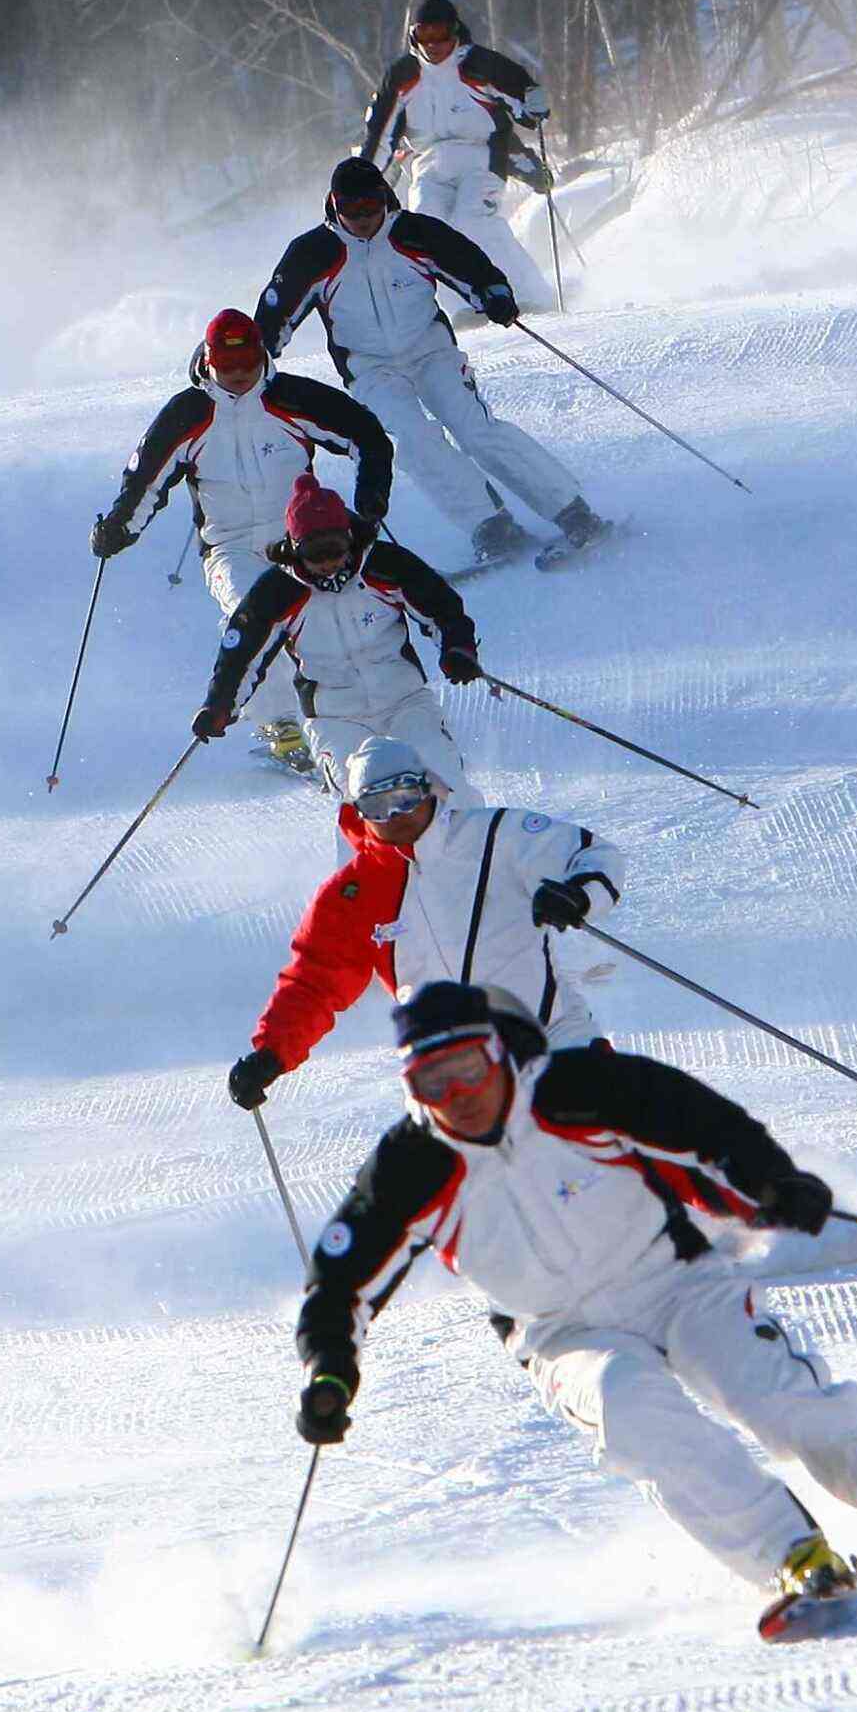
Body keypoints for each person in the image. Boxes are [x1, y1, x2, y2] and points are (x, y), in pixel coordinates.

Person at [289, 980, 857, 1641]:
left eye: (469, 1068)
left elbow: (700, 1124)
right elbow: (338, 1284)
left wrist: (770, 1184)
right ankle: (790, 1554)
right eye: (432, 1081)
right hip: (562, 1332)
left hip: (675, 1280)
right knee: (630, 1411)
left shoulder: (574, 1092)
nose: (460, 1096)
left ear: (497, 1053)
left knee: (776, 1397)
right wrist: (329, 1373)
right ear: (412, 1089)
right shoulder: (411, 1166)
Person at [225, 736, 621, 1115]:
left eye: (404, 796)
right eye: (379, 805)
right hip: (449, 1072)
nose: (397, 815)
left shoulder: (494, 836)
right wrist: (271, 1054)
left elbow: (592, 854)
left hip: (548, 1033)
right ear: (359, 812)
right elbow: (314, 981)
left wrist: (579, 894)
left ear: (428, 787)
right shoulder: (352, 894)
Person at [259, 156, 612, 573]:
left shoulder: (412, 232)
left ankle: (573, 514)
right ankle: (491, 525)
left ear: (383, 199)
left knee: (476, 431)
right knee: (412, 442)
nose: (362, 219)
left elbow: (469, 262)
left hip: (431, 351)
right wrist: (250, 357)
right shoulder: (314, 253)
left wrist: (492, 292)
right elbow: (273, 317)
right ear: (335, 206)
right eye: (350, 211)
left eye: (370, 207)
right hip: (370, 369)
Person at [93, 309, 395, 775]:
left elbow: (369, 437)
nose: (237, 377)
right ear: (209, 362)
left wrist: (370, 498)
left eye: (248, 365)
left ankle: (353, 712)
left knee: (326, 618)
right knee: (254, 615)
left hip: (299, 541)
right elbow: (145, 480)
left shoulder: (291, 398)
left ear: (262, 357)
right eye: (226, 368)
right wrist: (120, 527)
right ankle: (280, 725)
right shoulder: (188, 414)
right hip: (228, 544)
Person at [194, 477, 481, 794]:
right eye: (315, 553)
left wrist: (459, 650)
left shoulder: (384, 566)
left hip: (405, 702)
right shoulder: (277, 592)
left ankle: (469, 839)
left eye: (335, 549)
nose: (328, 563)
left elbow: (443, 609)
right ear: (294, 547)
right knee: (367, 799)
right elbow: (239, 656)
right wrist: (219, 704)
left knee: (444, 784)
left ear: (349, 537)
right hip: (336, 718)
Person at [360, 0, 553, 304]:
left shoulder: (481, 65)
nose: (433, 44)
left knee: (473, 221)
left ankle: (532, 295)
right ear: (415, 34)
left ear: (455, 31)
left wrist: (535, 106)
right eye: (425, 34)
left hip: (482, 159)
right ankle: (456, 306)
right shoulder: (403, 75)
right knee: (424, 225)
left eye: (441, 34)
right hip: (428, 164)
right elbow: (380, 134)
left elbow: (527, 107)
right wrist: (363, 179)